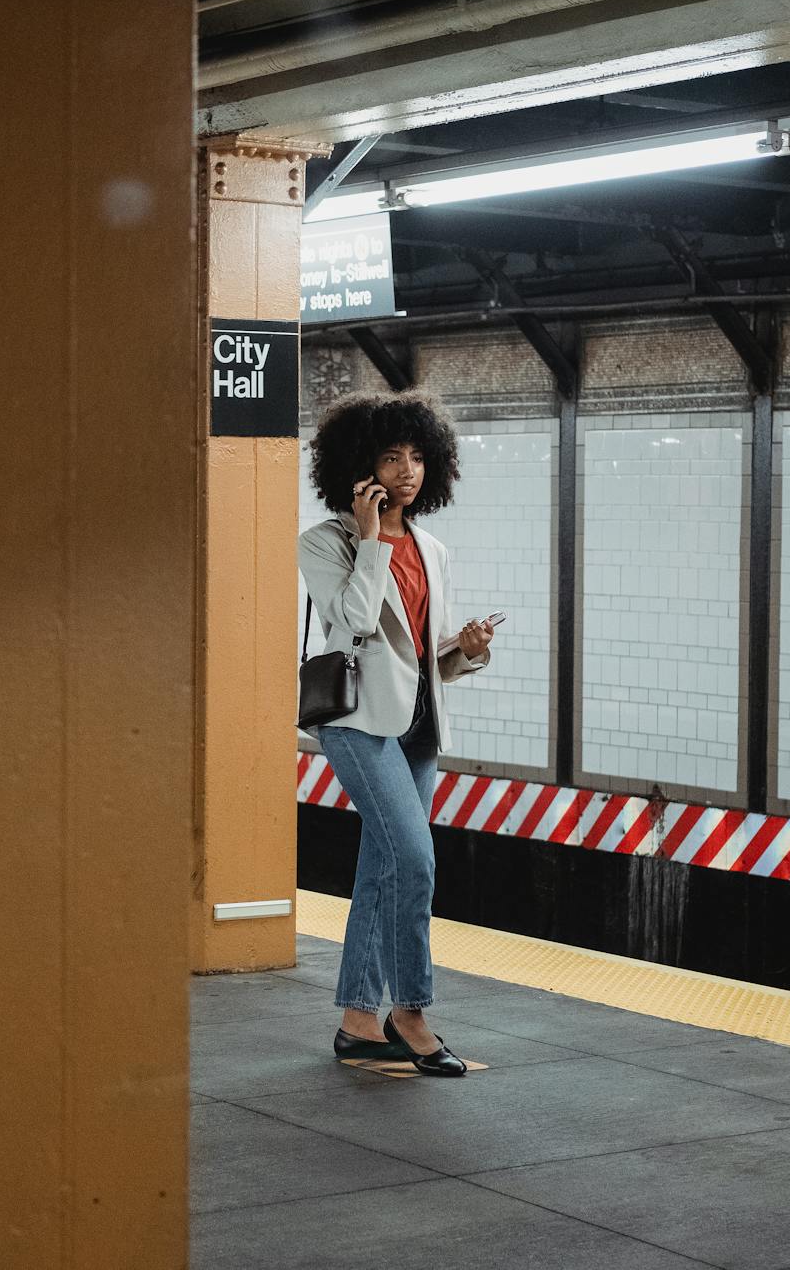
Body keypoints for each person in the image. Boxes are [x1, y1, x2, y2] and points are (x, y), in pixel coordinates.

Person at [298, 392, 497, 1078]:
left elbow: (419, 655)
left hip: (418, 725)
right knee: (414, 860)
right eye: (391, 456)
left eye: (417, 456)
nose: (407, 470)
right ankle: (409, 1011)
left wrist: (465, 648)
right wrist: (374, 538)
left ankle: (357, 1019)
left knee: (382, 867)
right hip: (357, 725)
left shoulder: (434, 548)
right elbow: (352, 624)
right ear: (360, 466)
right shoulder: (325, 542)